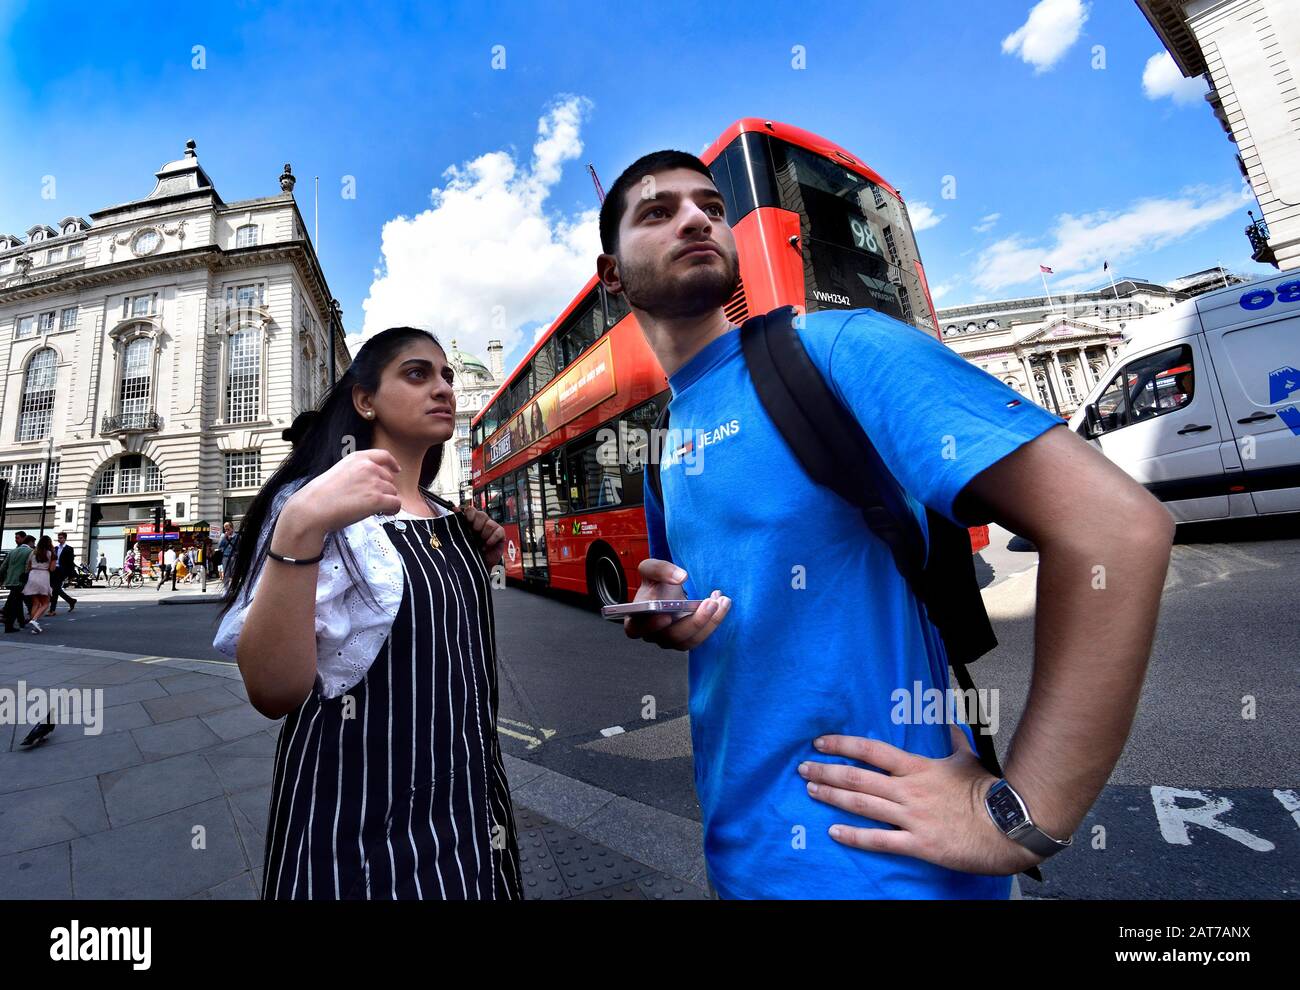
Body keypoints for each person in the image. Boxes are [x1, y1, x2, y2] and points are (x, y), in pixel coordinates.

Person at [598, 149, 1176, 899]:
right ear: (612, 274)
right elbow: (739, 602)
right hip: (740, 859)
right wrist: (670, 617)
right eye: (658, 210)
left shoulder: (839, 350)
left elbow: (1117, 531)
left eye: (710, 205)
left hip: (883, 870)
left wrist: (1021, 814)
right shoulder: (665, 445)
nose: (695, 219)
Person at [213, 326, 522, 900]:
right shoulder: (314, 506)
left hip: (470, 806)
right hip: (353, 809)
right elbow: (273, 690)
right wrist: (302, 524)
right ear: (365, 399)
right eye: (417, 373)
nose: (443, 388)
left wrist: (473, 552)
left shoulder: (453, 520)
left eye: (447, 376)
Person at [23, 535, 57, 634]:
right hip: (43, 576)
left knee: (36, 603)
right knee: (46, 603)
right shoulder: (51, 554)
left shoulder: (33, 553)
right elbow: (52, 569)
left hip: (32, 576)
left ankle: (34, 626)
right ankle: (34, 620)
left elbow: (28, 567)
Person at [3, 532, 32, 633]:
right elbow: (28, 567)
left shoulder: (12, 551)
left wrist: (2, 579)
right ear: (30, 543)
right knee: (15, 604)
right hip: (21, 582)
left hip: (10, 581)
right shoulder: (30, 551)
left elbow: (3, 567)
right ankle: (9, 626)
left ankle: (21, 622)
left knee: (17, 602)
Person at [48, 531, 78, 615]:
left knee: (55, 590)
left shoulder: (69, 548)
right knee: (56, 589)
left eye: (61, 538)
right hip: (54, 570)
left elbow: (70, 562)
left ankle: (52, 610)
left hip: (62, 571)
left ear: (65, 539)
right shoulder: (55, 548)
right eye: (58, 538)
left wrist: (71, 574)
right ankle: (71, 601)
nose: (59, 539)